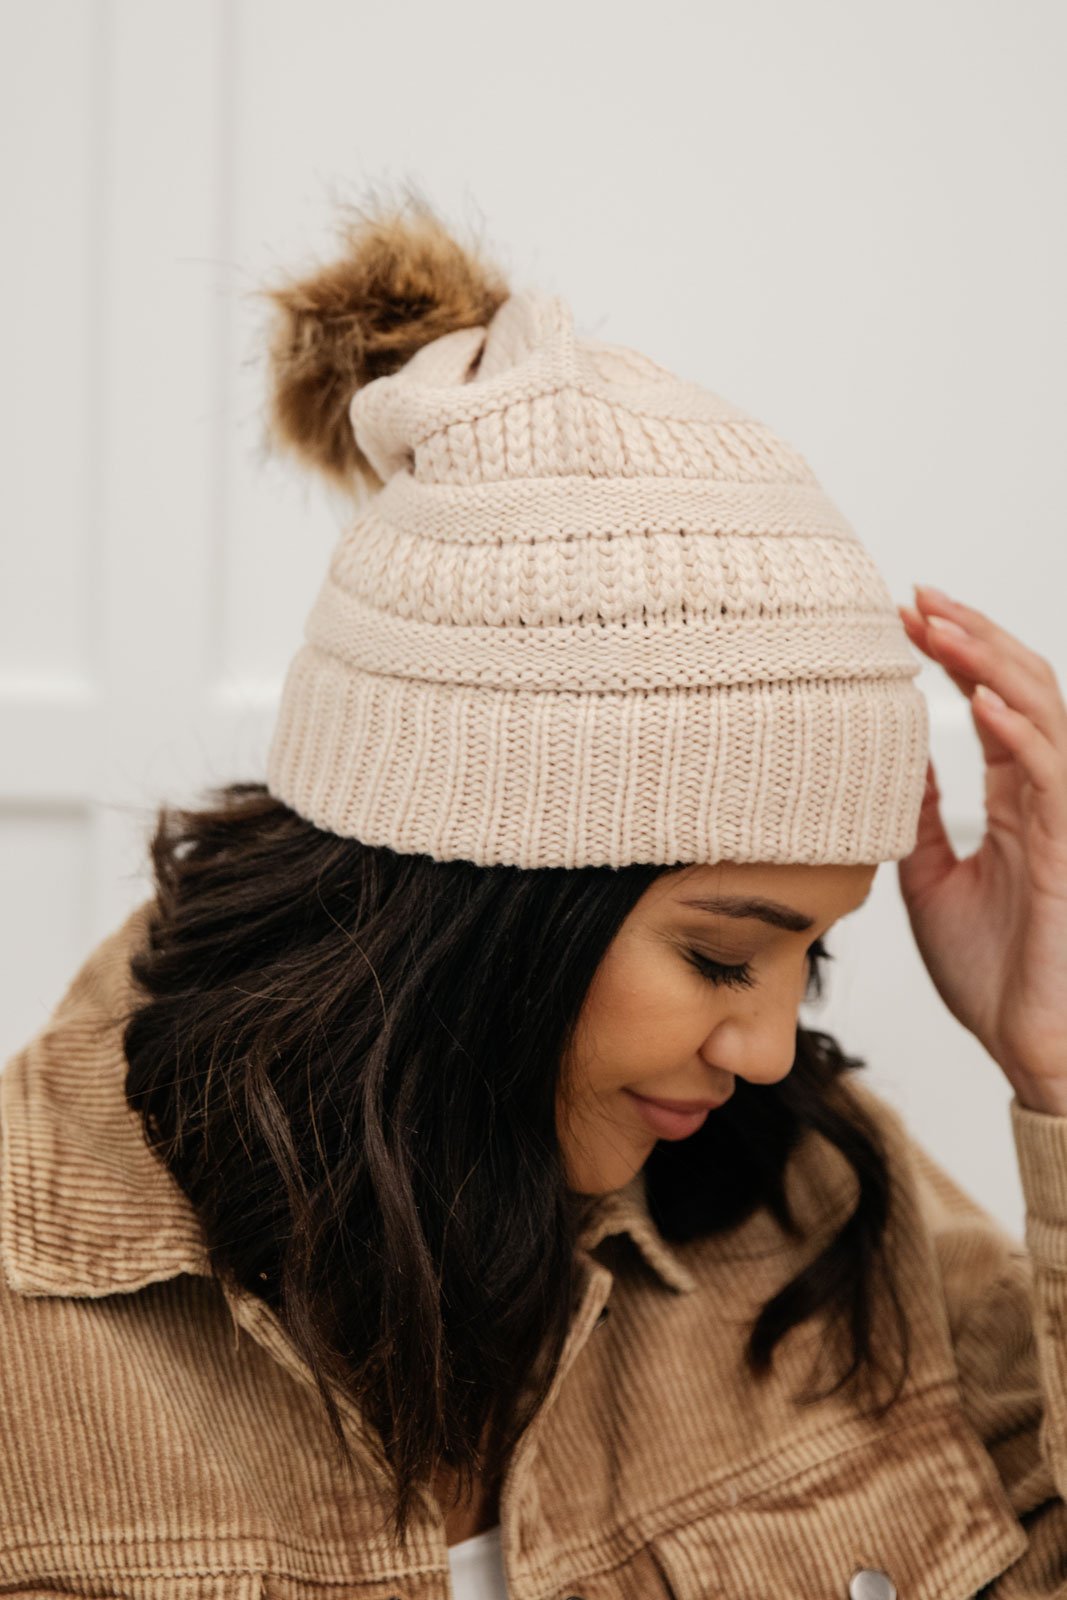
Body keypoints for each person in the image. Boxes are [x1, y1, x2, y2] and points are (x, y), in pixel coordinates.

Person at [3, 193, 1067, 1600]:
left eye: (807, 962)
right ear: (485, 902)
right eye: (723, 955)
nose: (763, 1055)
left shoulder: (821, 1196)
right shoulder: (37, 1318)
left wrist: (1055, 1065)